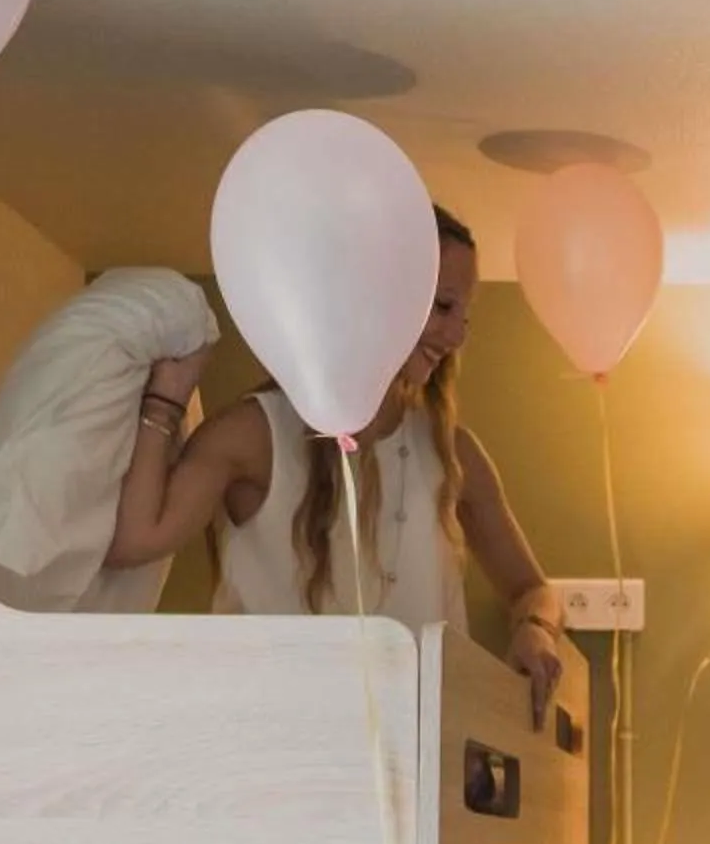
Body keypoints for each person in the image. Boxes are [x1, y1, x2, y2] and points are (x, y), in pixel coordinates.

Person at [106, 204, 573, 721]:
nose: (458, 335)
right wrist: (165, 401)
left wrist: (536, 628)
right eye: (443, 306)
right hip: (275, 740)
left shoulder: (452, 452)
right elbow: (135, 539)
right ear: (377, 295)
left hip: (419, 752)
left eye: (465, 315)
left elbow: (535, 590)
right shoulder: (256, 433)